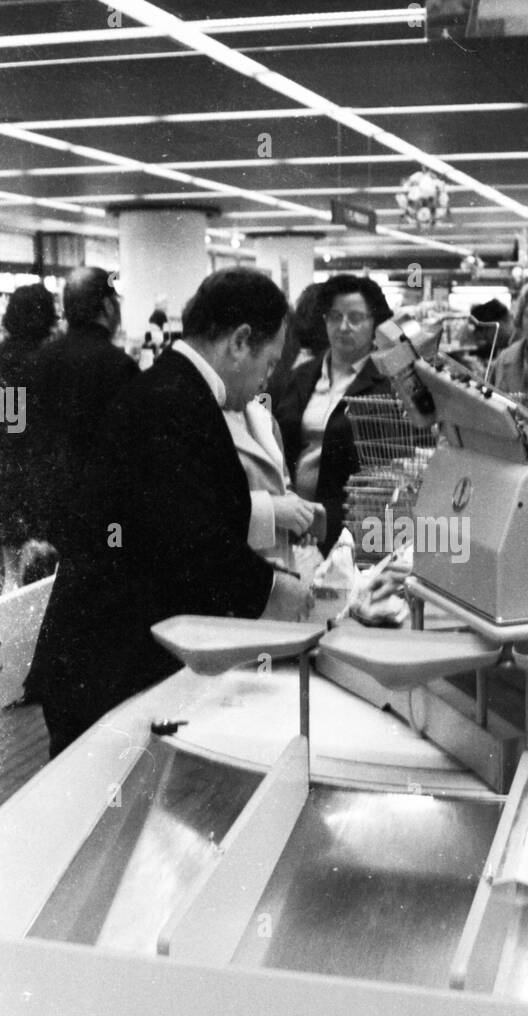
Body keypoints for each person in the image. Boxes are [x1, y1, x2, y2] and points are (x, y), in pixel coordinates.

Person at [29, 268, 311, 757]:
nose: (267, 378)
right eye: (268, 362)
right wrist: (281, 592)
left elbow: (183, 513)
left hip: (104, 657)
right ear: (240, 341)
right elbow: (192, 544)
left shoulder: (174, 390)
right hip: (106, 671)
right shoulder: (174, 402)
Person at [275, 273, 392, 556]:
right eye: (335, 316)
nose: (343, 326)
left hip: (350, 529)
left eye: (356, 318)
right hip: (292, 522)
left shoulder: (388, 384)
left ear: (374, 323)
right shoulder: (301, 376)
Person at [29, 266, 139, 555]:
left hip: (52, 505)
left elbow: (19, 427)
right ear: (106, 306)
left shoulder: (39, 360)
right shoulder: (119, 366)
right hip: (106, 513)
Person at [223, 393, 318, 569]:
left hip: (275, 569)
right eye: (264, 364)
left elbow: (283, 484)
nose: (264, 379)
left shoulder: (263, 418)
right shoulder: (194, 417)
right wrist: (272, 509)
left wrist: (297, 514)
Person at [0, 282, 57, 564]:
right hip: (35, 470)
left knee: (13, 559)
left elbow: (12, 421)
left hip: (11, 468)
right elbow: (15, 422)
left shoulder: (5, 355)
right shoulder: (34, 359)